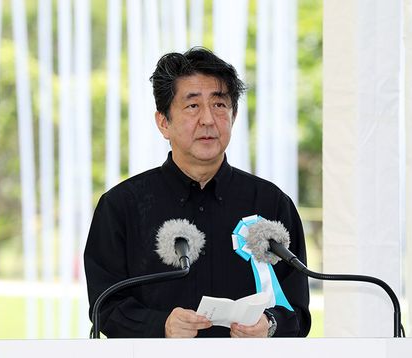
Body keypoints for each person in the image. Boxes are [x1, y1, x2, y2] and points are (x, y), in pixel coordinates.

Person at [84, 47, 311, 338]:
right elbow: (105, 307)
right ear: (163, 122)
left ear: (233, 116)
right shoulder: (121, 206)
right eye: (192, 106)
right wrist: (160, 325)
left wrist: (271, 325)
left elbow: (298, 311)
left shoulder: (271, 203)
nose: (208, 119)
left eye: (219, 105)